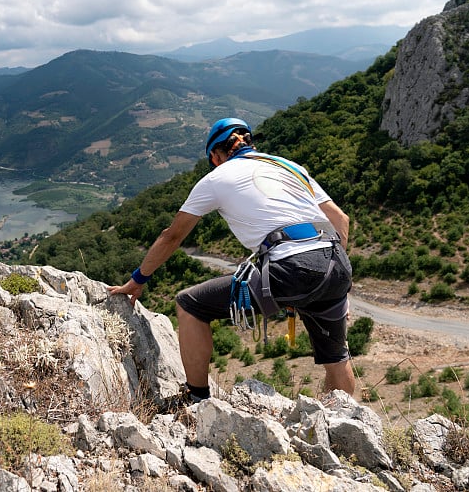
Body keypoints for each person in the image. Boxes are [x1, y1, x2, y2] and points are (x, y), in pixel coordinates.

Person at [108, 117, 355, 403]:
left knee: (190, 305)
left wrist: (138, 280)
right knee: (337, 357)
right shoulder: (290, 166)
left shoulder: (216, 178)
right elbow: (341, 219)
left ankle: (197, 397)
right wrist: (338, 282)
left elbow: (171, 237)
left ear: (215, 156)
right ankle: (340, 426)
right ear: (250, 142)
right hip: (335, 263)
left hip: (291, 268)